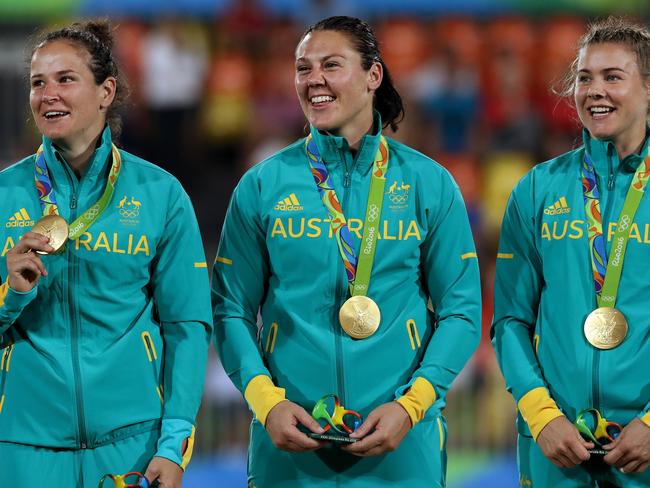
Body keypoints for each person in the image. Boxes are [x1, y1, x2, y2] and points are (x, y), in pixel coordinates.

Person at [213, 15, 481, 487]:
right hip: (291, 444)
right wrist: (265, 402)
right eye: (303, 68)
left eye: (331, 65)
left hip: (402, 443)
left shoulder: (428, 182)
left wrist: (411, 406)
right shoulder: (262, 184)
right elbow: (231, 308)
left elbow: (461, 312)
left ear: (373, 76)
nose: (313, 79)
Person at [0, 21, 212, 487]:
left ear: (105, 91)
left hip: (131, 446)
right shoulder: (4, 195)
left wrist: (174, 445)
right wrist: (8, 295)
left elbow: (188, 329)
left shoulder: (161, 194)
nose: (47, 94)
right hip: (21, 449)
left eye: (65, 79)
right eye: (38, 82)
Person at [492, 16, 650, 488]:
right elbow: (510, 321)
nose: (594, 90)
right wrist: (541, 416)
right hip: (555, 447)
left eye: (612, 77)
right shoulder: (537, 189)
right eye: (585, 78)